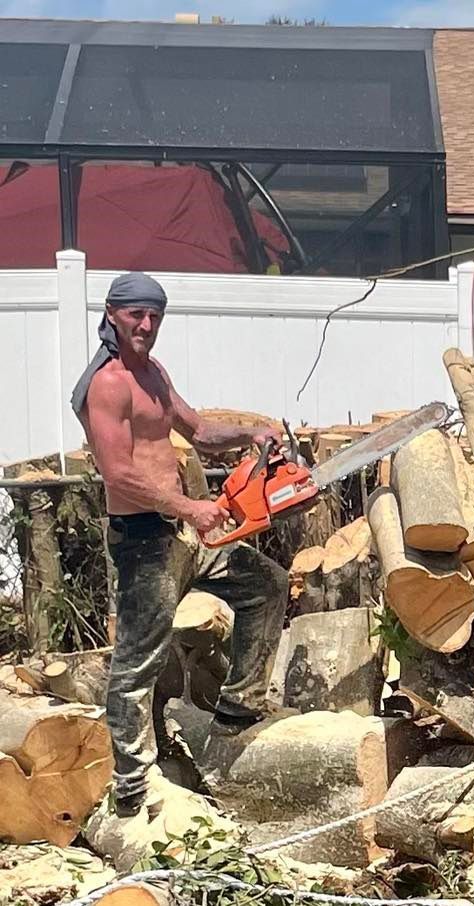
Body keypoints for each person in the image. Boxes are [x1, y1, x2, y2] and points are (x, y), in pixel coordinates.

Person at [72, 272, 289, 817]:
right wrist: (192, 506)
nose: (146, 326)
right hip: (145, 540)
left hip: (182, 534)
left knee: (266, 585)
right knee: (135, 667)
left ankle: (238, 709)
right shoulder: (109, 384)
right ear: (112, 314)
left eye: (154, 317)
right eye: (135, 315)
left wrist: (249, 433)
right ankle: (132, 789)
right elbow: (118, 474)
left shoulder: (153, 374)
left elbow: (196, 429)